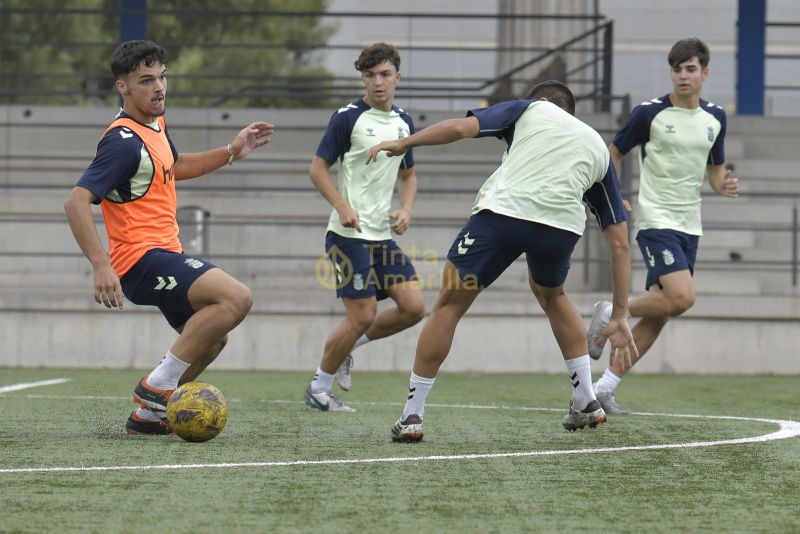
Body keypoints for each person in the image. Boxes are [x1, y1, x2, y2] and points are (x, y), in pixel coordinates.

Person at [366, 80, 638, 442]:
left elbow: (461, 128)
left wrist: (405, 142)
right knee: (553, 296)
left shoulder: (528, 109)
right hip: (558, 231)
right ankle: (586, 400)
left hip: (501, 216)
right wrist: (620, 314)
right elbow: (619, 243)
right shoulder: (596, 147)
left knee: (449, 305)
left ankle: (413, 414)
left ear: (540, 101)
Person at [63, 40, 274, 435]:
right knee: (237, 297)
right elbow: (76, 202)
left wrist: (231, 151)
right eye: (146, 80)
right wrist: (100, 265)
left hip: (163, 253)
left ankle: (148, 418)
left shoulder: (156, 123)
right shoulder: (122, 143)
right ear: (122, 87)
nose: (158, 87)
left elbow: (175, 166)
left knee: (214, 338)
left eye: (162, 77)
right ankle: (158, 386)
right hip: (140, 261)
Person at [586, 38, 739, 415]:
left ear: (705, 73)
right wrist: (613, 193)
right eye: (676, 69)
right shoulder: (649, 113)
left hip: (691, 225)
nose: (682, 76)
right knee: (683, 297)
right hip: (656, 220)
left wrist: (725, 184)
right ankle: (612, 311)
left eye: (690, 69)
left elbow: (715, 172)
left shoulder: (715, 117)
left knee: (664, 311)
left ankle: (604, 387)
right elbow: (613, 153)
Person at [303, 42, 425, 412]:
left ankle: (347, 348)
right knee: (363, 315)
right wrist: (342, 206)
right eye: (370, 75)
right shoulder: (347, 117)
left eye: (385, 74)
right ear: (363, 78)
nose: (377, 82)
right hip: (346, 235)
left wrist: (405, 208)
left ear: (397, 77)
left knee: (414, 307)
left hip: (380, 236)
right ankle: (319, 388)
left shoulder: (404, 121)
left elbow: (409, 174)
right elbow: (317, 169)